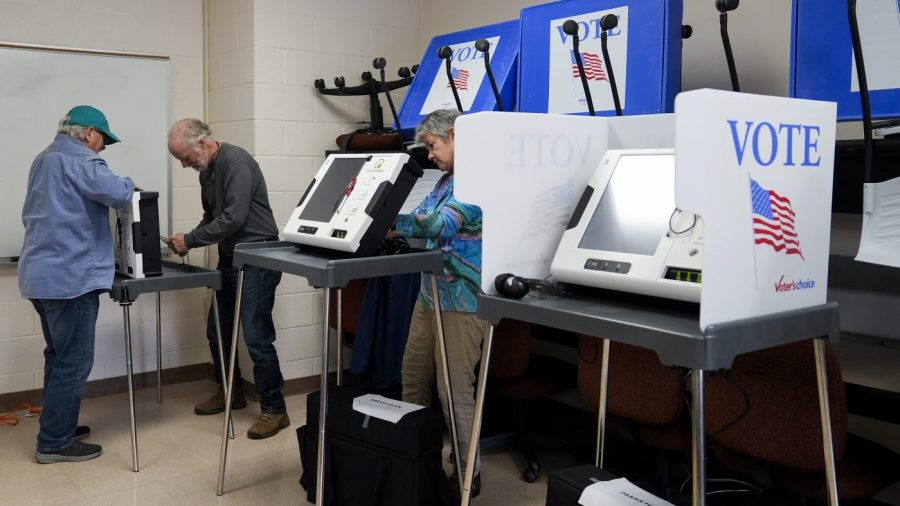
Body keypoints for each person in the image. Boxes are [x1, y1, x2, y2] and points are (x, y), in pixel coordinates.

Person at [19, 105, 135, 463]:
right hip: (71, 280)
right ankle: (54, 442)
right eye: (102, 140)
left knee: (57, 357)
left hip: (40, 277)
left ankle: (60, 425)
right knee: (74, 362)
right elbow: (119, 193)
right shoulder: (83, 162)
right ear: (87, 134)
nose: (102, 148)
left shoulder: (44, 158)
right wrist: (131, 185)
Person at [166, 118, 288, 439]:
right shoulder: (206, 170)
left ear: (204, 143)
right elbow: (213, 216)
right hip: (230, 256)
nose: (183, 165)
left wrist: (190, 239)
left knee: (257, 337)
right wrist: (189, 237)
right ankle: (230, 393)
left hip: (259, 257)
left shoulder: (236, 162)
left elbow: (234, 217)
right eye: (179, 159)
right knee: (216, 330)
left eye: (186, 157)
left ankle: (275, 409)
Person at [393, 109, 487, 497]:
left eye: (432, 146)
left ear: (453, 134)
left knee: (453, 392)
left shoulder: (481, 179)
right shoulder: (445, 180)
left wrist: (387, 217)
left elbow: (436, 225)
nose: (429, 155)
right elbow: (421, 215)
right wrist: (408, 219)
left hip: (462, 299)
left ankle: (468, 473)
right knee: (412, 376)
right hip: (430, 292)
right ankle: (412, 458)